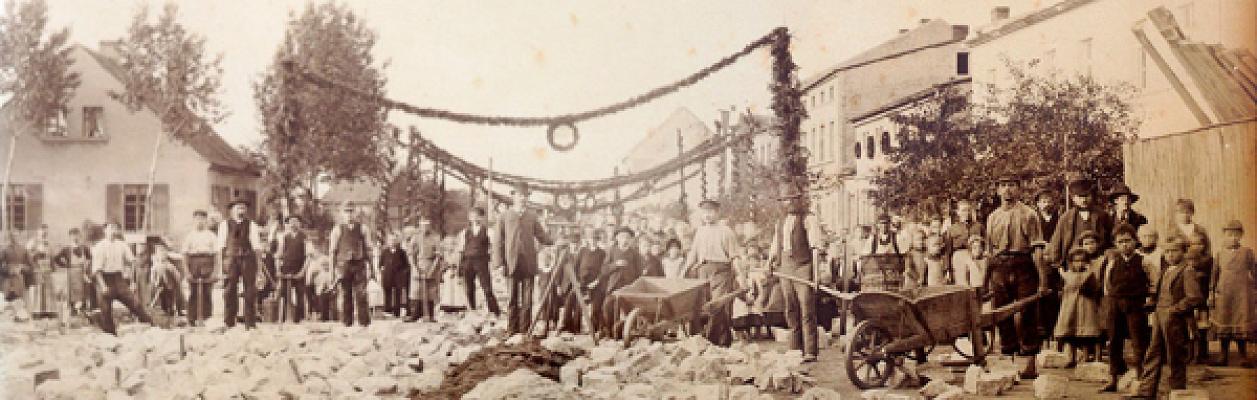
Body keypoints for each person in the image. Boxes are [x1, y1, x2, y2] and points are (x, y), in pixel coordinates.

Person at [983, 175, 1048, 379]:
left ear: (1019, 189)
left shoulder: (1029, 214)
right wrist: (985, 282)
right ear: (997, 190)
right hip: (999, 267)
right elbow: (989, 254)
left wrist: (1043, 280)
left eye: (1011, 185)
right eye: (1003, 185)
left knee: (1027, 312)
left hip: (1023, 265)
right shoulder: (992, 217)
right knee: (1002, 313)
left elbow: (1037, 250)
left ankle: (1029, 363)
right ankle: (1008, 361)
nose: (1007, 190)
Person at [1131, 236, 1201, 399]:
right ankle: (1146, 391)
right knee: (1153, 353)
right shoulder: (1166, 270)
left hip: (1175, 320)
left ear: (1184, 252)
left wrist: (1174, 310)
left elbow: (1194, 297)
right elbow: (1160, 293)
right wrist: (1152, 304)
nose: (1170, 255)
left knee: (1175, 355)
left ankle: (1177, 391)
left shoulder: (1187, 271)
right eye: (1167, 251)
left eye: (1174, 251)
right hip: (1159, 316)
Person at [493, 183, 553, 335]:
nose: (522, 198)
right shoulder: (504, 216)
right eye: (520, 195)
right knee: (512, 298)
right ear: (513, 196)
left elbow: (541, 236)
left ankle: (525, 330)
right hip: (511, 263)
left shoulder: (532, 216)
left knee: (527, 299)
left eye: (525, 195)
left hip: (528, 263)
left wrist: (555, 241)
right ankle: (512, 329)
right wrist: (499, 263)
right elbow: (498, 241)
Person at [1100, 224, 1151, 392]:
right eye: (1120, 242)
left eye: (1128, 241)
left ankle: (1140, 377)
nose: (1124, 245)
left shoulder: (1144, 261)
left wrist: (1149, 299)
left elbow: (1154, 282)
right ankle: (1113, 377)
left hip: (1136, 305)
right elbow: (1107, 285)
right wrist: (1111, 301)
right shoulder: (1113, 262)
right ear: (1115, 244)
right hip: (1115, 304)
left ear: (1135, 241)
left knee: (1138, 341)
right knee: (1114, 340)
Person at [684, 199, 741, 347]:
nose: (707, 215)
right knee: (702, 307)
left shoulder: (726, 231)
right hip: (702, 271)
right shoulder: (700, 232)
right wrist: (684, 271)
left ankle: (712, 341)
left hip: (721, 271)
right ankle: (717, 340)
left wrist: (741, 276)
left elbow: (734, 256)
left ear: (717, 212)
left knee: (718, 306)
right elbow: (693, 253)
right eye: (704, 212)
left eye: (710, 211)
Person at [91, 221, 153, 335]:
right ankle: (110, 334)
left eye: (115, 228)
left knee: (135, 303)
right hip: (104, 278)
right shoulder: (100, 246)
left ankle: (150, 325)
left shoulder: (122, 245)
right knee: (105, 310)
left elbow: (133, 262)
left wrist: (133, 281)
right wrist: (103, 286)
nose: (113, 231)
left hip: (118, 278)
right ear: (105, 230)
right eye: (110, 228)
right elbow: (96, 270)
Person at [1210, 220, 1256, 367]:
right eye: (1230, 235)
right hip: (1224, 294)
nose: (1233, 238)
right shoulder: (1219, 254)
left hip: (1242, 294)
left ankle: (1243, 356)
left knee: (1240, 324)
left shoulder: (1247, 253)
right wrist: (1211, 292)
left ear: (1241, 236)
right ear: (1224, 236)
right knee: (1224, 323)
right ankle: (1223, 356)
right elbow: (1214, 275)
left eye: (1236, 234)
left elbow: (1254, 272)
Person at [217, 199, 265, 329]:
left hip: (248, 259)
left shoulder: (252, 225)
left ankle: (250, 323)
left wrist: (259, 269)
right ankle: (229, 322)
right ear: (232, 210)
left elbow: (257, 248)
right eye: (238, 208)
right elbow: (220, 248)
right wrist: (220, 268)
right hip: (231, 260)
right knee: (229, 291)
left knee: (250, 291)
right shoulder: (224, 225)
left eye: (243, 208)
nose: (241, 211)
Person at [591, 227, 643, 338]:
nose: (625, 240)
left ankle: (629, 333)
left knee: (630, 311)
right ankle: (609, 332)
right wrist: (615, 264)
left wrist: (635, 286)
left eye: (627, 237)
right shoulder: (611, 251)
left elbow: (639, 273)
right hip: (614, 287)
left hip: (629, 287)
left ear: (631, 239)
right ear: (617, 238)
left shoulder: (635, 254)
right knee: (607, 306)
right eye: (622, 237)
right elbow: (604, 270)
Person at [1055, 247, 1102, 367]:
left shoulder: (1089, 274)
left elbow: (1093, 288)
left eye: (1082, 261)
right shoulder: (1067, 274)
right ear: (1071, 262)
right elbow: (1062, 289)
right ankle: (1071, 357)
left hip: (1086, 307)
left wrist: (1088, 275)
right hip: (1070, 308)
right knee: (1070, 333)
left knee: (1086, 334)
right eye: (1076, 261)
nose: (1079, 264)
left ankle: (1086, 357)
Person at [329, 204, 373, 327]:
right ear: (342, 213)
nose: (349, 214)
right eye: (346, 211)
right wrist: (332, 273)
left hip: (359, 265)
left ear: (356, 213)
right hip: (344, 266)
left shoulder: (363, 228)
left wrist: (372, 268)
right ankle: (347, 322)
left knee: (361, 294)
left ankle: (364, 323)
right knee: (345, 294)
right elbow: (332, 252)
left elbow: (369, 249)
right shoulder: (337, 230)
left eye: (351, 211)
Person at [458, 207, 500, 316]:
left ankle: (494, 312)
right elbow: (461, 250)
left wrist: (494, 262)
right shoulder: (465, 232)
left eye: (477, 216)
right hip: (467, 262)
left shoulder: (489, 231)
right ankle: (472, 311)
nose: (475, 218)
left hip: (481, 262)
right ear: (469, 218)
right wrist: (459, 266)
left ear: (482, 217)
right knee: (469, 288)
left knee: (487, 288)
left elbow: (494, 247)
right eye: (472, 216)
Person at [182, 210, 219, 324]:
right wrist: (187, 271)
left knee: (207, 292)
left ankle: (207, 319)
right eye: (197, 219)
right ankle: (191, 318)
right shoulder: (189, 236)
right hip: (194, 263)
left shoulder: (211, 236)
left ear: (206, 220)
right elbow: (185, 255)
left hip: (208, 262)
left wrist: (215, 271)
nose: (200, 221)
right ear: (194, 221)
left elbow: (217, 255)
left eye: (202, 219)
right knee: (193, 292)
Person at [275, 215, 313, 323]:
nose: (293, 224)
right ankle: (283, 318)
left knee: (300, 293)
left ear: (299, 224)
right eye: (291, 222)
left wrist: (302, 271)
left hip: (299, 268)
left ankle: (298, 319)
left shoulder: (305, 237)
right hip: (286, 268)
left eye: (296, 221)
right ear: (288, 224)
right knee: (283, 293)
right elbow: (278, 255)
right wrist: (278, 270)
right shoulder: (283, 237)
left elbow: (309, 256)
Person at [1185, 230, 1213, 363]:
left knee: (1202, 327)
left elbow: (1211, 279)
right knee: (1190, 327)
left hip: (1203, 299)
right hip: (1190, 300)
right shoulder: (1186, 260)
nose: (1196, 246)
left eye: (1199, 244)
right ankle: (1190, 353)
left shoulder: (1208, 260)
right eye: (1192, 244)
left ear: (1204, 245)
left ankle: (1202, 353)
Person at [53, 228, 92, 315]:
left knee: (83, 291)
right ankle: (73, 310)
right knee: (72, 291)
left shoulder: (84, 248)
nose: (75, 238)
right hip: (71, 272)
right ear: (70, 237)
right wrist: (65, 265)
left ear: (80, 236)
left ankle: (83, 309)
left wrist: (87, 267)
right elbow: (56, 258)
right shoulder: (66, 249)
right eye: (73, 235)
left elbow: (90, 258)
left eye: (77, 235)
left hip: (82, 271)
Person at [148, 239, 185, 318]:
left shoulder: (169, 265)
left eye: (163, 253)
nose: (161, 254)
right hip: (160, 283)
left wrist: (177, 281)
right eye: (159, 253)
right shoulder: (155, 266)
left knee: (172, 296)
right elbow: (153, 274)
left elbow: (176, 275)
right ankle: (165, 309)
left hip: (170, 284)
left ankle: (174, 309)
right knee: (162, 297)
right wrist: (154, 281)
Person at [379, 231, 409, 318]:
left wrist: (403, 273)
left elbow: (406, 265)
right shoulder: (384, 252)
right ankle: (388, 310)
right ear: (388, 241)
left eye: (394, 240)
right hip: (387, 275)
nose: (392, 242)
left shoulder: (402, 252)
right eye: (391, 240)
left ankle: (397, 312)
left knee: (398, 293)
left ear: (397, 241)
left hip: (398, 276)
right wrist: (383, 270)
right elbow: (380, 264)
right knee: (387, 292)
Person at [26, 225, 55, 317]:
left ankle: (48, 311)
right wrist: (36, 253)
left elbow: (52, 256)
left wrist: (52, 266)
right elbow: (27, 255)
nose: (44, 234)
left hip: (47, 269)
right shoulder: (32, 242)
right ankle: (37, 311)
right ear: (38, 232)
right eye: (42, 232)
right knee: (37, 290)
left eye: (46, 232)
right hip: (37, 269)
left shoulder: (48, 243)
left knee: (48, 289)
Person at [2, 233, 32, 322]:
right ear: (9, 238)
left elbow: (30, 266)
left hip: (19, 278)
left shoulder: (24, 250)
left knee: (18, 296)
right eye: (12, 236)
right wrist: (8, 270)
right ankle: (15, 315)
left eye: (16, 236)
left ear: (19, 237)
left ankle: (20, 315)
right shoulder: (5, 250)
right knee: (9, 297)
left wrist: (22, 268)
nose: (14, 238)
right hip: (8, 279)